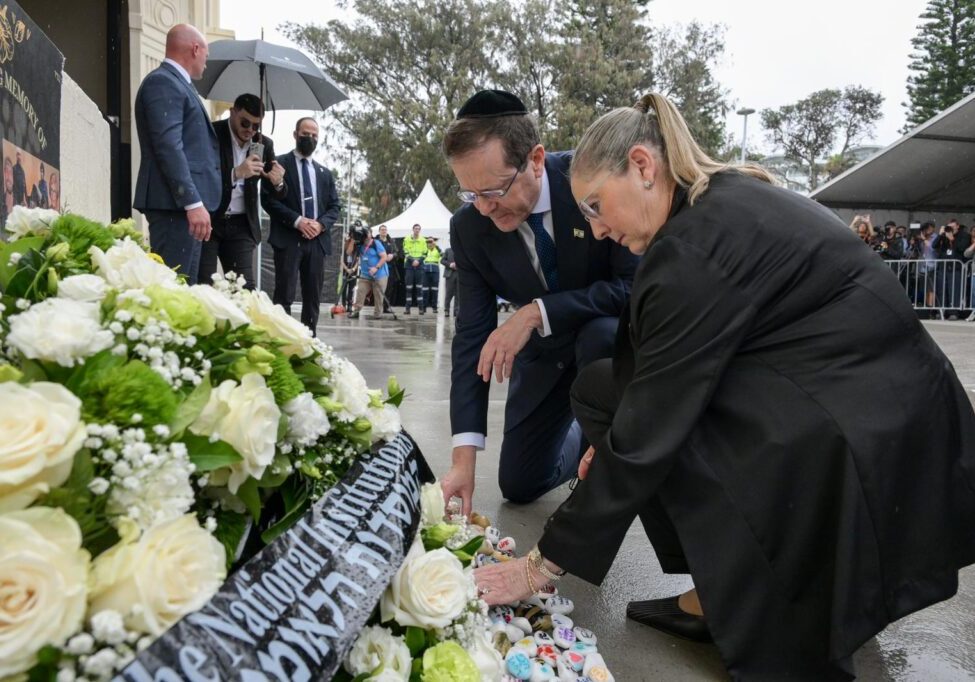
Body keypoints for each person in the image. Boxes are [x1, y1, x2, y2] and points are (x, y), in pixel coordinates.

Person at [473, 93, 975, 682]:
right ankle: (717, 586)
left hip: (865, 427)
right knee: (604, 391)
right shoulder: (714, 206)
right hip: (877, 399)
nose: (598, 228)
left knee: (646, 423)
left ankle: (765, 598)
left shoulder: (690, 248)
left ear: (642, 166)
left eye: (597, 204)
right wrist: (616, 442)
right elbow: (652, 380)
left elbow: (650, 427)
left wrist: (539, 567)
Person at [440, 89, 637, 511]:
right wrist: (463, 459)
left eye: (493, 191)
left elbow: (631, 287)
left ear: (535, 159)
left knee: (599, 334)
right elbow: (472, 338)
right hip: (545, 358)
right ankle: (578, 439)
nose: (484, 209)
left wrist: (536, 312)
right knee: (519, 482)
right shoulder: (470, 228)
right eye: (470, 194)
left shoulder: (588, 183)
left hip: (606, 346)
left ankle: (610, 452)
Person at [132, 24, 221, 284]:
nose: (206, 62)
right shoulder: (163, 82)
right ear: (195, 49)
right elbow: (169, 146)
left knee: (183, 288)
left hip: (180, 209)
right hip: (174, 208)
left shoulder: (177, 84)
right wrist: (193, 203)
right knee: (172, 288)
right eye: (206, 54)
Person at [261, 117, 341, 334]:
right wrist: (298, 221)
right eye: (306, 134)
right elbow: (268, 200)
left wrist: (320, 225)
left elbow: (335, 206)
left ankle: (310, 343)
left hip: (316, 242)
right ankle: (283, 339)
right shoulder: (278, 164)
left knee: (312, 297)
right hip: (288, 239)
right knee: (284, 295)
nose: (310, 138)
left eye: (315, 135)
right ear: (296, 135)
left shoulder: (324, 173)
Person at [199, 93, 287, 289]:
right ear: (232, 113)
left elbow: (277, 194)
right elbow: (201, 176)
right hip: (210, 218)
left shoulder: (263, 144)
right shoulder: (212, 134)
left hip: (241, 223)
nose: (250, 130)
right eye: (245, 123)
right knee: (204, 285)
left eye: (256, 126)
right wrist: (236, 173)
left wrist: (278, 182)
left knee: (244, 289)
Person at [349, 225, 390, 319]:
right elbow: (348, 252)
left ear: (371, 234)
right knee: (360, 291)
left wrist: (376, 267)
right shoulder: (360, 243)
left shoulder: (376, 243)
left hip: (380, 274)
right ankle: (356, 311)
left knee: (378, 294)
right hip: (365, 274)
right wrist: (352, 239)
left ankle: (377, 314)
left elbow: (384, 257)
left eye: (367, 232)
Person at [402, 223, 426, 314]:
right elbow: (405, 252)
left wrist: (418, 261)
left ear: (420, 230)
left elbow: (425, 253)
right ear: (413, 229)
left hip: (419, 266)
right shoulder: (407, 239)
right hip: (409, 265)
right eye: (416, 228)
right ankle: (407, 308)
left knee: (419, 288)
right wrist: (413, 261)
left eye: (418, 229)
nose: (417, 230)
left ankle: (421, 308)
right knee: (409, 288)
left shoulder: (423, 240)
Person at [376, 224, 399, 312]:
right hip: (379, 267)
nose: (384, 231)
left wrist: (392, 255)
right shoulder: (375, 241)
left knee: (389, 288)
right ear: (379, 231)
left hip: (390, 268)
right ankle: (379, 306)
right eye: (382, 230)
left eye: (385, 230)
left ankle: (386, 307)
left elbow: (397, 253)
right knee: (379, 288)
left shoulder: (391, 241)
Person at [422, 236, 442, 314]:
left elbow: (442, 255)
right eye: (428, 242)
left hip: (435, 272)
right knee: (425, 290)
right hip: (425, 271)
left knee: (435, 290)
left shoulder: (437, 249)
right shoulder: (425, 249)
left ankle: (434, 307)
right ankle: (424, 307)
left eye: (431, 242)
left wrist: (436, 246)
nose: (429, 243)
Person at [340, 235, 360, 310]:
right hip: (345, 271)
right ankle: (343, 305)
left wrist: (354, 269)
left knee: (352, 288)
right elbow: (341, 260)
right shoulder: (344, 248)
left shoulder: (357, 249)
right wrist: (346, 269)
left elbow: (358, 260)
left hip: (353, 271)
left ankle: (350, 305)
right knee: (344, 289)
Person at [441, 244, 458, 317]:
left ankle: (456, 311)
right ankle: (446, 310)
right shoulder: (448, 250)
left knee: (458, 294)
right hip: (449, 274)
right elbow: (442, 260)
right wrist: (450, 264)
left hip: (459, 274)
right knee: (449, 293)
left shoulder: (462, 250)